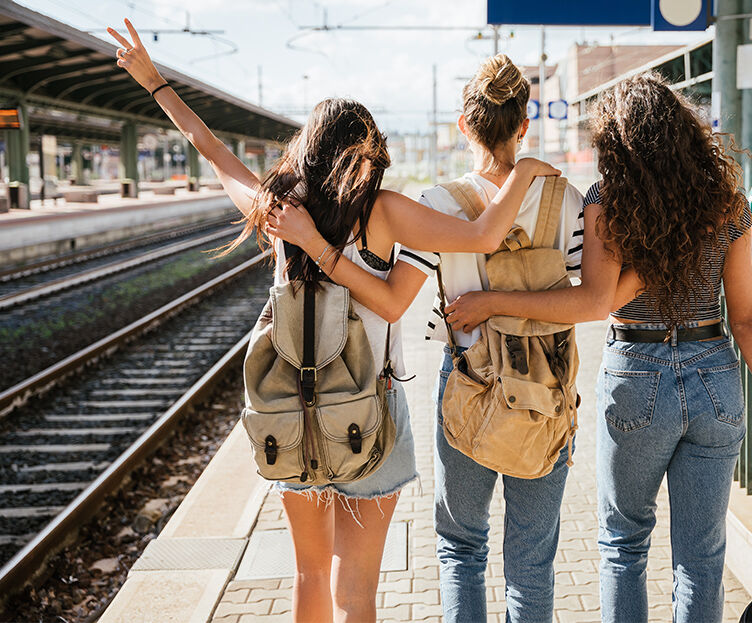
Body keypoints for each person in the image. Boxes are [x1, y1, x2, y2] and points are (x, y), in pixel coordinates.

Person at [107, 21, 557, 623]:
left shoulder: (277, 210)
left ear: (307, 147)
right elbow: (482, 234)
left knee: (309, 575)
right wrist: (524, 172)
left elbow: (211, 151)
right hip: (373, 411)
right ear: (365, 150)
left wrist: (154, 83)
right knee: (357, 593)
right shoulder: (386, 212)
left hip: (291, 412)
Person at [444, 73, 752, 623]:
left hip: (637, 377)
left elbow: (595, 303)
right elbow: (750, 320)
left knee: (624, 544)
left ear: (618, 140)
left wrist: (493, 301)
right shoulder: (724, 203)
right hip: (715, 376)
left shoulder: (610, 200)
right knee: (703, 558)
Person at [268, 54, 585, 623]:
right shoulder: (569, 200)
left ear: (464, 126)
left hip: (469, 382)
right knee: (533, 562)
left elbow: (415, 283)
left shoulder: (439, 201)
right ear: (523, 124)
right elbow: (589, 297)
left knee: (462, 548)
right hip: (547, 390)